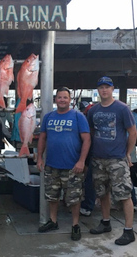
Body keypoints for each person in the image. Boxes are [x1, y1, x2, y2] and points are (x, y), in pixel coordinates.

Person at [36, 87, 91, 241]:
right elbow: (42, 138)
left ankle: (75, 225)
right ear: (56, 99)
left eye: (65, 97)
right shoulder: (48, 117)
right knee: (52, 196)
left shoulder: (78, 116)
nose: (62, 100)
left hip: (73, 166)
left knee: (74, 198)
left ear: (70, 100)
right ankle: (53, 221)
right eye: (59, 97)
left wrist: (81, 161)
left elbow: (87, 139)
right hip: (52, 165)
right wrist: (40, 158)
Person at [87, 76, 136, 245]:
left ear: (112, 88)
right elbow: (91, 133)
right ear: (98, 90)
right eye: (101, 87)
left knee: (124, 194)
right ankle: (106, 221)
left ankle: (129, 231)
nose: (104, 90)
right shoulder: (93, 110)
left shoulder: (122, 109)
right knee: (102, 193)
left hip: (117, 159)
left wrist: (128, 153)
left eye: (107, 87)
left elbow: (133, 132)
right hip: (98, 159)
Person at [79, 101, 96, 217]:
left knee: (90, 180)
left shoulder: (87, 118)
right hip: (93, 151)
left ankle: (87, 206)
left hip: (94, 151)